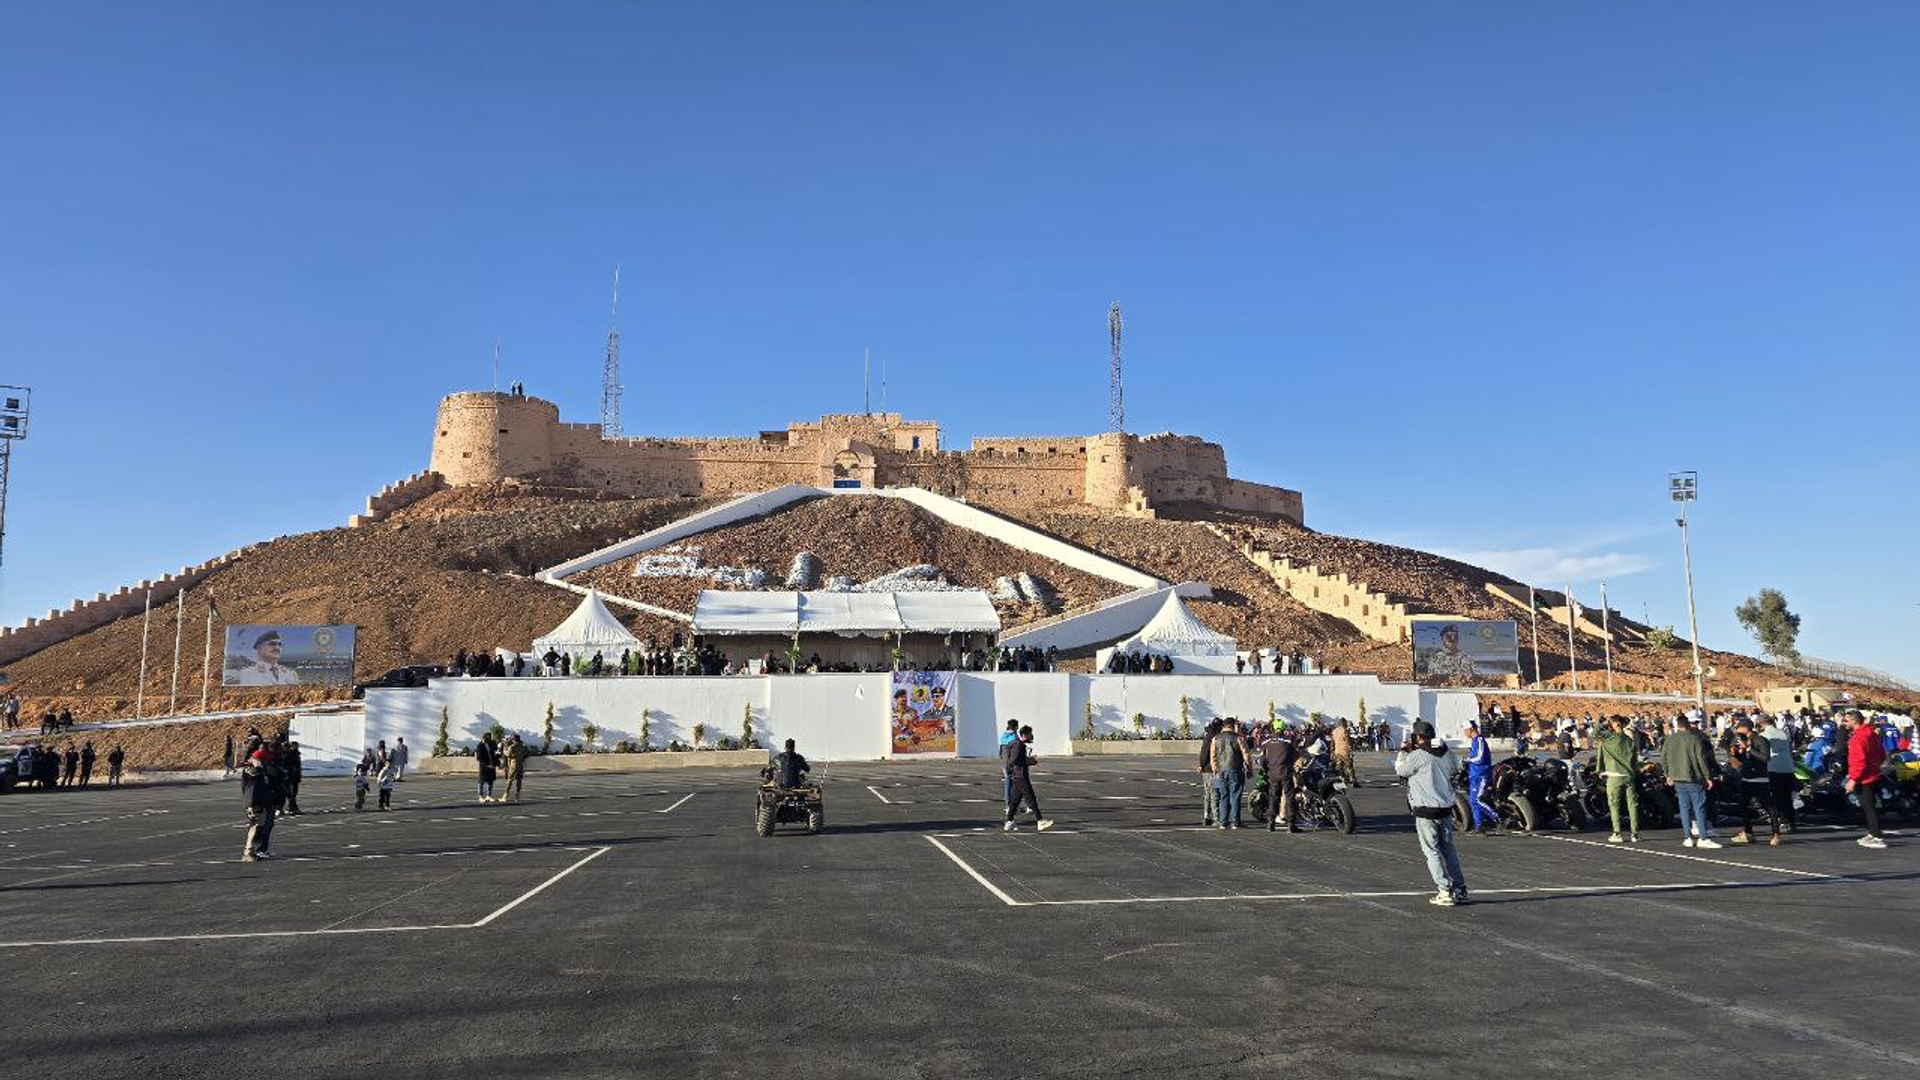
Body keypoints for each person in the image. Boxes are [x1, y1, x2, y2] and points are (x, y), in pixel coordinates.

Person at [1396, 720, 1469, 906]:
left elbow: (1401, 770)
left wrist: (1403, 752)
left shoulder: (1417, 755)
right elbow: (1455, 768)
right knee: (1449, 849)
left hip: (1425, 809)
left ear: (1418, 737)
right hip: (1445, 808)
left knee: (1432, 851)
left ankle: (1444, 890)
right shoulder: (1447, 754)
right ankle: (1460, 889)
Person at [1662, 714, 1719, 849]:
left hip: (1677, 778)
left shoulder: (1670, 739)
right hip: (1693, 778)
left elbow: (1664, 758)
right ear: (1687, 724)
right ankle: (1703, 837)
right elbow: (1701, 760)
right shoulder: (1694, 739)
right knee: (1699, 807)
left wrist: (1667, 775)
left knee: (1684, 808)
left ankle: (1688, 837)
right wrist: (1707, 777)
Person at [1842, 710, 1888, 849]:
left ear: (1854, 721)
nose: (1845, 723)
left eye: (1847, 720)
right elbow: (1882, 754)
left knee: (1868, 806)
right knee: (1870, 805)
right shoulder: (1871, 733)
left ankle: (1877, 836)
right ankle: (1873, 832)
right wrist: (1875, 766)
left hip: (1865, 777)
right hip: (1874, 774)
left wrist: (1853, 780)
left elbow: (1859, 761)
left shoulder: (1858, 738)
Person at [1726, 718, 1773, 845]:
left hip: (1759, 779)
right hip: (1746, 778)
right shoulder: (1744, 740)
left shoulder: (1760, 739)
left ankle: (1776, 834)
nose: (1736, 730)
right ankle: (1748, 833)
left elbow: (1765, 757)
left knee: (1768, 807)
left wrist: (1748, 749)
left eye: (1739, 728)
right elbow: (1744, 758)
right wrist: (1736, 753)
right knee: (1742, 805)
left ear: (1746, 728)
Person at [1595, 716, 1641, 843]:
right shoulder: (1629, 741)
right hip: (1628, 775)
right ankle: (1635, 834)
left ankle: (1617, 833)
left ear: (1616, 724)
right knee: (1632, 805)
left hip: (1614, 775)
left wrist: (1601, 723)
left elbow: (1595, 735)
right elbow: (1634, 760)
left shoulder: (1608, 740)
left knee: (1614, 805)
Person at [1001, 725, 1053, 832]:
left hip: (1017, 776)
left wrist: (1028, 760)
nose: (1031, 736)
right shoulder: (1019, 745)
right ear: (1024, 735)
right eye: (1030, 734)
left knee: (1015, 801)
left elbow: (1015, 760)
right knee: (1031, 799)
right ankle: (1040, 821)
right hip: (1021, 777)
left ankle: (1009, 822)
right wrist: (1029, 761)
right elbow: (1014, 760)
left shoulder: (1016, 744)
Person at [239, 741, 281, 862]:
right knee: (256, 826)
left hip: (264, 801)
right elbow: (252, 784)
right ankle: (249, 852)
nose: (266, 762)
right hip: (255, 803)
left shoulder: (261, 769)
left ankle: (256, 850)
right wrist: (251, 805)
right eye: (263, 760)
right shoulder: (250, 770)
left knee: (262, 826)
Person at [1259, 721, 1300, 833]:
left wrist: (1265, 769)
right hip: (1286, 772)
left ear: (1273, 728)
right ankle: (1291, 825)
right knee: (1289, 797)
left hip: (1273, 773)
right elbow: (1295, 755)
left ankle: (1270, 823)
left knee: (1273, 797)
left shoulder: (1267, 741)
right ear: (1283, 729)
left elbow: (1263, 758)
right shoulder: (1288, 741)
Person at [1210, 719, 1248, 829]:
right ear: (1233, 725)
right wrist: (1249, 768)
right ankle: (1235, 822)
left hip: (1221, 770)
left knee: (1223, 796)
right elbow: (1245, 754)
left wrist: (1214, 770)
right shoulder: (1239, 738)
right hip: (1235, 769)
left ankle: (1223, 822)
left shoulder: (1215, 738)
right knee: (1235, 796)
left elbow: (1212, 756)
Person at [1463, 722, 1498, 836]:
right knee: (1473, 801)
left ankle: (1497, 818)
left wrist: (1468, 759)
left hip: (1481, 775)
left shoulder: (1479, 741)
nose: (1464, 733)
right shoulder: (1474, 742)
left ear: (1471, 729)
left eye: (1465, 730)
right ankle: (1479, 826)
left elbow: (1480, 758)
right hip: (1475, 775)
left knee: (1477, 800)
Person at [232, 629, 302, 685]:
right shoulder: (244, 674)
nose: (277, 648)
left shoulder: (290, 673)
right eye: (272, 644)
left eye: (280, 645)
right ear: (259, 648)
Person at [1198, 719, 1220, 827]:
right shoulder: (1213, 737)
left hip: (1206, 770)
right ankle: (1216, 817)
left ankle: (1206, 816)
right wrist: (1201, 764)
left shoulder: (1208, 736)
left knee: (1207, 794)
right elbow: (1205, 752)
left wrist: (1201, 765)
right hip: (1211, 770)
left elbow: (1203, 752)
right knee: (1214, 793)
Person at [500, 734, 527, 802]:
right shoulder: (522, 746)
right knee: (519, 780)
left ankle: (505, 795)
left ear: (513, 740)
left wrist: (504, 749)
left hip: (513, 765)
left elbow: (508, 754)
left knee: (510, 779)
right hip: (520, 764)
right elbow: (526, 753)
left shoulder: (512, 747)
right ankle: (517, 796)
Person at [475, 731, 499, 803]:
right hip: (484, 766)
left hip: (491, 765)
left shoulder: (491, 744)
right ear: (483, 738)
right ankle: (481, 796)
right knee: (481, 781)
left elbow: (495, 751)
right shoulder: (479, 746)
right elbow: (478, 758)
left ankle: (489, 796)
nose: (488, 739)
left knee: (490, 781)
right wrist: (487, 764)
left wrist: (495, 763)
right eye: (487, 738)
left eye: (489, 738)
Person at [281, 740, 304, 815]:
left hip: (294, 776)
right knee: (290, 794)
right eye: (294, 746)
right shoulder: (288, 755)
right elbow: (287, 766)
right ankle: (292, 807)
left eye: (296, 746)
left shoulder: (296, 754)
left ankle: (292, 807)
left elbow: (298, 766)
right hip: (290, 777)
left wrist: (299, 774)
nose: (296, 748)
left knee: (293, 793)